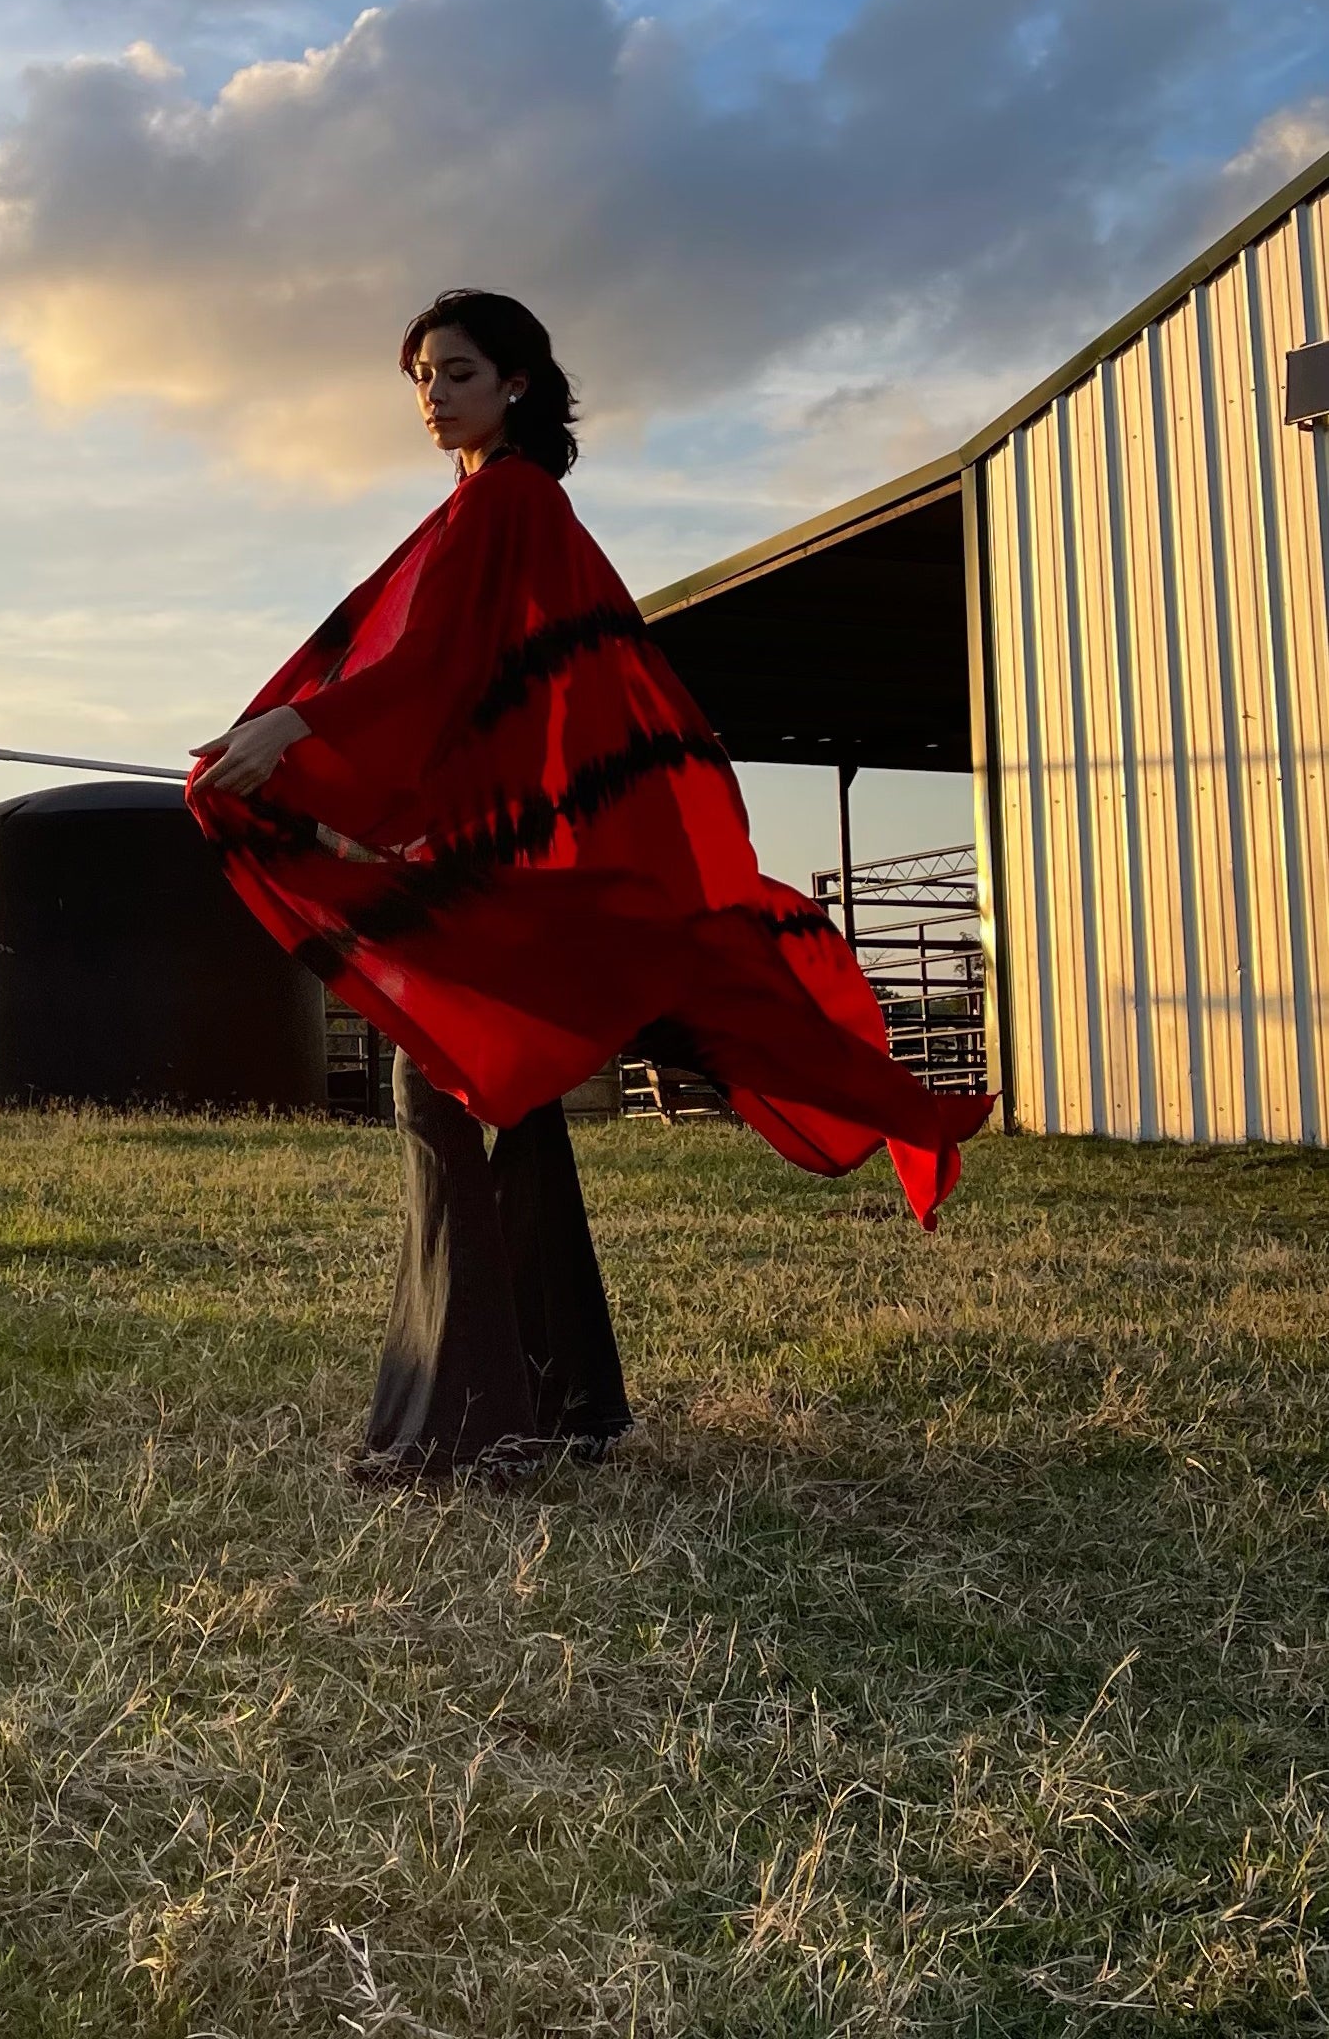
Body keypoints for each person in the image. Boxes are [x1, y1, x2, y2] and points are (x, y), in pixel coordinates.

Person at [187, 289, 993, 1481]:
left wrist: (294, 728)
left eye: (455, 371)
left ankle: (465, 1427)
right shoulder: (487, 504)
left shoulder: (508, 501)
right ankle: (563, 1408)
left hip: (508, 872)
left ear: (516, 382)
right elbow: (467, 692)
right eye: (419, 375)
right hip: (495, 857)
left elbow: (435, 666)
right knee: (494, 1107)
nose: (431, 393)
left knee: (448, 1100)